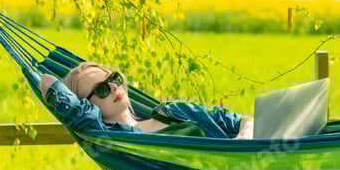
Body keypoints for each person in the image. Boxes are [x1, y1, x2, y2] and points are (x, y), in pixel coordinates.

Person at [40, 62, 254, 139]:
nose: (114, 87)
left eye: (113, 79)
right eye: (102, 89)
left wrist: (243, 138)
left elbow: (243, 120)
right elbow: (47, 82)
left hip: (256, 164)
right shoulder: (114, 138)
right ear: (86, 107)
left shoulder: (172, 112)